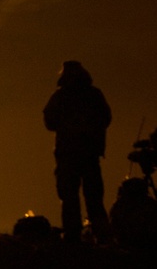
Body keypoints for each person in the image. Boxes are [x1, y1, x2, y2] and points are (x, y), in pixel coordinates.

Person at [43, 61, 112, 243]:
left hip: (68, 154)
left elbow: (49, 121)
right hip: (89, 154)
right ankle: (101, 236)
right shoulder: (94, 95)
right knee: (94, 198)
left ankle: (74, 237)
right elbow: (106, 118)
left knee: (69, 198)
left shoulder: (61, 96)